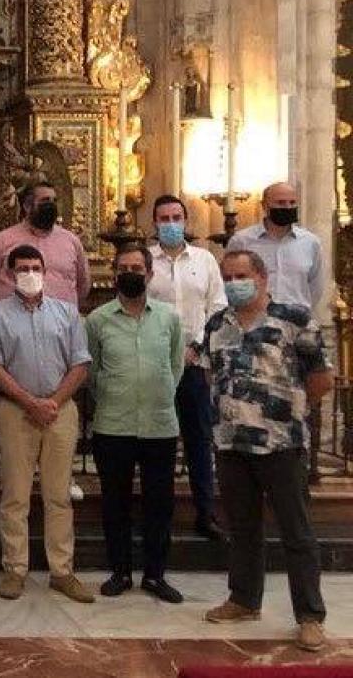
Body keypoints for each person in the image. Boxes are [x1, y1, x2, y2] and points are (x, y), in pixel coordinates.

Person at [200, 250, 332, 652]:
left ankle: (309, 616)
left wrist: (286, 409)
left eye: (242, 275)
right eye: (228, 276)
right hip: (231, 443)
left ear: (262, 278)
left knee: (297, 532)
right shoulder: (217, 323)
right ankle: (244, 599)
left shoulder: (295, 319)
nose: (235, 282)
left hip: (281, 443)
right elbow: (210, 373)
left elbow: (323, 379)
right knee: (243, 528)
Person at [0, 244, 94, 603]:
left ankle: (62, 571)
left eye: (35, 267)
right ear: (11, 274)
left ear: (44, 272)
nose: (30, 273)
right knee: (15, 495)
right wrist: (29, 402)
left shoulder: (67, 313)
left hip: (60, 409)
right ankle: (15, 569)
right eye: (22, 268)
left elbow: (80, 363)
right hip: (16, 410)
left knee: (58, 495)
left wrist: (53, 402)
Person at [86, 243, 185, 603]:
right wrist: (115, 395)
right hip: (113, 424)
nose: (131, 274)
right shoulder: (97, 321)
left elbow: (176, 367)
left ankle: (156, 575)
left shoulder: (169, 318)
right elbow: (93, 372)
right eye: (124, 268)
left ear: (149, 273)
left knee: (160, 503)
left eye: (137, 268)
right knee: (116, 502)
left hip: (159, 424)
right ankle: (121, 571)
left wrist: (157, 394)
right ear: (115, 275)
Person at [147, 194, 227, 541]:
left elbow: (218, 308)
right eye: (163, 219)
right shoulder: (146, 261)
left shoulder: (205, 260)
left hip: (194, 364)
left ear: (186, 220)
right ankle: (156, 516)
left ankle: (205, 513)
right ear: (154, 224)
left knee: (199, 439)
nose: (170, 224)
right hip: (155, 365)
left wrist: (197, 348)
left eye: (176, 217)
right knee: (156, 443)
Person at [0, 181, 90, 306]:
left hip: (61, 321)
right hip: (13, 321)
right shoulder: (0, 241)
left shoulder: (71, 241)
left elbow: (83, 285)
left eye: (54, 201)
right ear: (27, 206)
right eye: (45, 200)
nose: (51, 205)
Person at [227, 182, 324, 312]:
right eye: (281, 202)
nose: (288, 207)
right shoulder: (242, 241)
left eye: (292, 202)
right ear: (265, 206)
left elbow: (315, 287)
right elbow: (229, 281)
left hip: (297, 322)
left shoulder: (310, 242)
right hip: (256, 322)